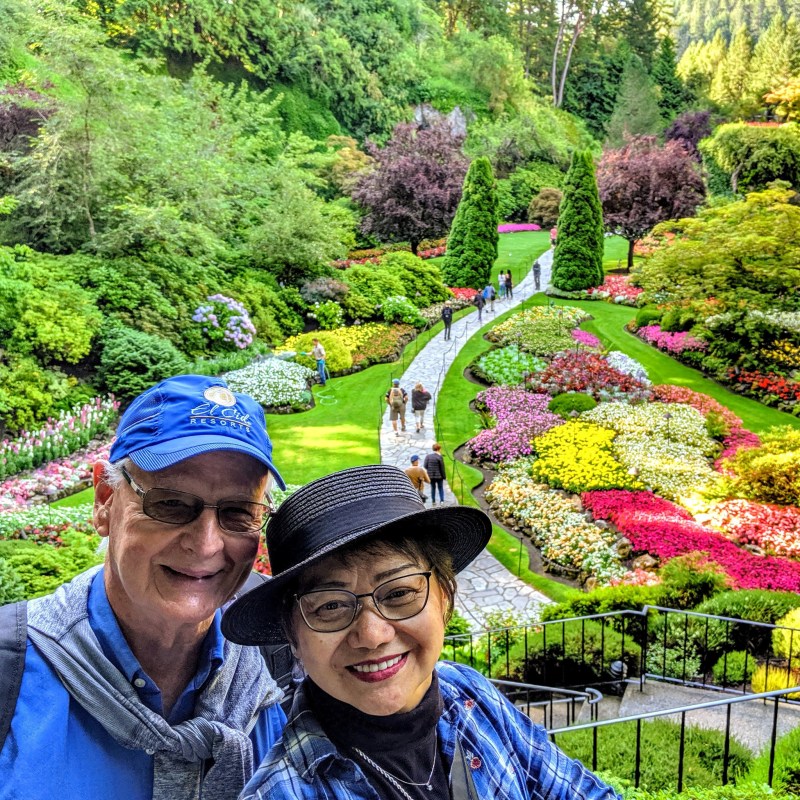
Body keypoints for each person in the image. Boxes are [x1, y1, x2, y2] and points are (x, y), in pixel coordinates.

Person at [222, 465, 622, 800]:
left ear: (445, 597)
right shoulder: (284, 792)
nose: (373, 634)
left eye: (398, 593)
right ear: (293, 635)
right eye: (330, 606)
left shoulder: (468, 694)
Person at [0, 375, 288, 800]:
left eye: (238, 512)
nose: (207, 544)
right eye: (170, 503)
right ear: (104, 502)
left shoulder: (283, 658)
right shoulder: (14, 670)